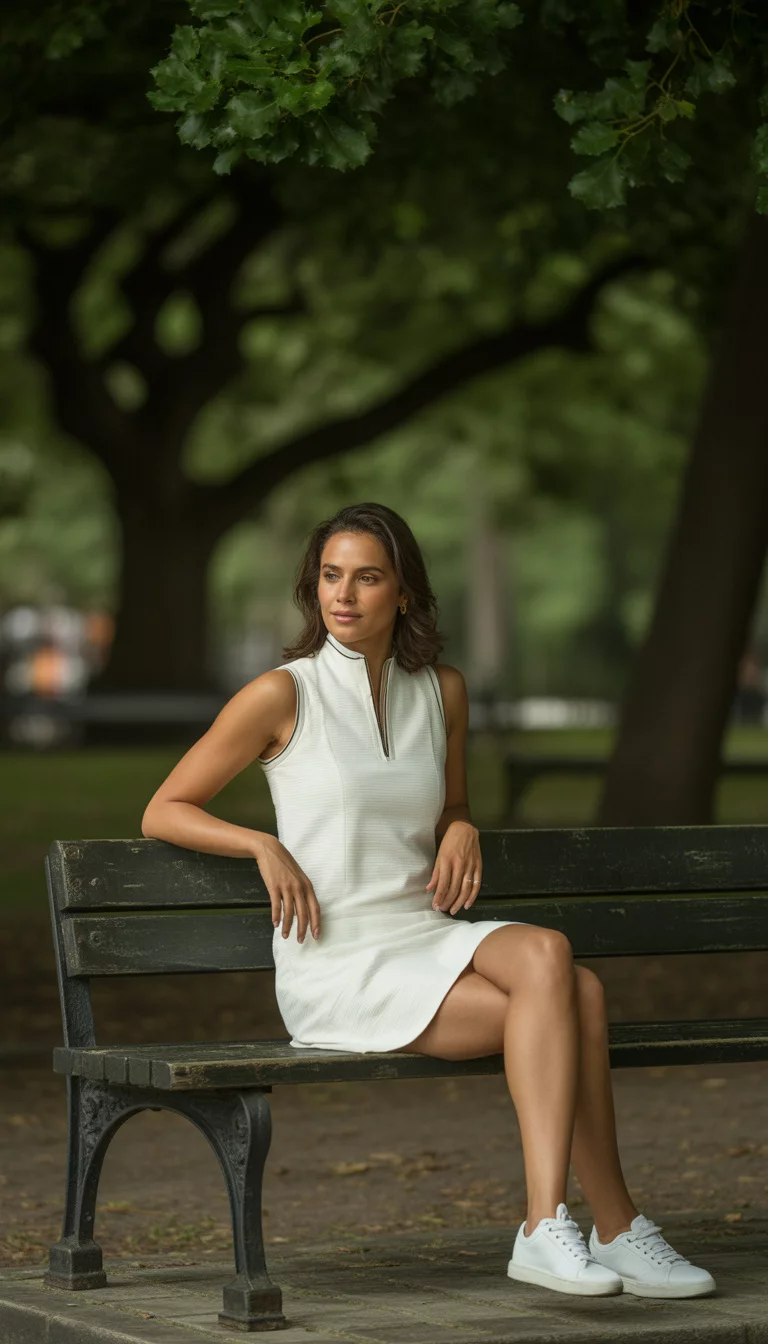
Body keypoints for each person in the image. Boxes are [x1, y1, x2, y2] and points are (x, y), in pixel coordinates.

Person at [142, 501, 715, 1302]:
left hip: (420, 934)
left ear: (403, 593)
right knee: (573, 994)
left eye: (367, 578)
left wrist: (462, 823)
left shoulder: (440, 691)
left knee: (561, 968)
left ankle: (594, 1229)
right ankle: (564, 1224)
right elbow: (164, 808)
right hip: (337, 963)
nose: (344, 595)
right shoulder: (282, 695)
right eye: (330, 577)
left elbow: (448, 803)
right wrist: (262, 845)